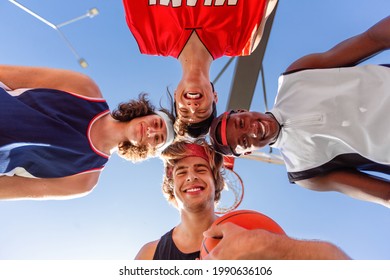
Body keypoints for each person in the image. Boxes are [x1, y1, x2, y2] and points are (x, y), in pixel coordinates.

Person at [209, 16, 390, 208]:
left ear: (242, 111)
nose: (252, 130)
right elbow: (385, 195)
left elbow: (372, 39)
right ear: (247, 152)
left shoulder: (295, 76)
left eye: (241, 123)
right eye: (244, 141)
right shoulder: (304, 171)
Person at [134, 141, 350, 260]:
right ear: (171, 186)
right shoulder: (151, 254)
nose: (191, 176)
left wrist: (270, 247)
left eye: (200, 169)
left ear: (216, 181)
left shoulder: (252, 231)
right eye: (181, 172)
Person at [0, 65, 175, 200]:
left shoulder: (84, 180)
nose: (152, 131)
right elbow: (7, 74)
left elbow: (13, 188)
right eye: (157, 123)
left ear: (149, 150)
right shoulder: (84, 89)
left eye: (158, 138)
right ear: (147, 113)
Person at [123, 0, 278, 137]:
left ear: (176, 95)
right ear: (214, 97)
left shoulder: (150, 35)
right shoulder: (244, 40)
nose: (193, 107)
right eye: (202, 111)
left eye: (183, 111)